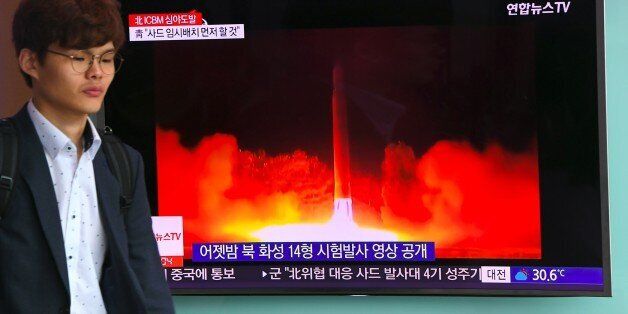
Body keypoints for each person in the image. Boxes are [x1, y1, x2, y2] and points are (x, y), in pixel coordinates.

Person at [0, 0, 175, 313]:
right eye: (79, 58)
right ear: (31, 62)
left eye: (106, 59)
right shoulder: (6, 153)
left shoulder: (123, 163)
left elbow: (147, 281)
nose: (97, 73)